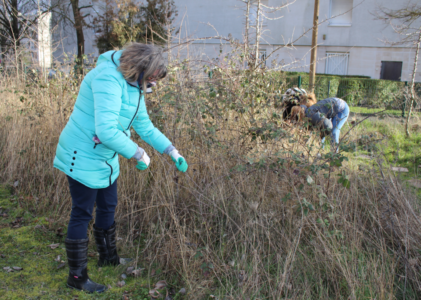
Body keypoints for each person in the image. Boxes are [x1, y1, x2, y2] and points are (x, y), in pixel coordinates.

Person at [53, 43, 188, 293]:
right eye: (151, 77)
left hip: (105, 156)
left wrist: (171, 150)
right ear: (139, 68)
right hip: (82, 153)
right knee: (82, 212)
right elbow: (105, 131)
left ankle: (108, 258)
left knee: (108, 205)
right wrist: (138, 152)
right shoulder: (107, 78)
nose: (153, 83)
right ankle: (77, 277)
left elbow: (144, 125)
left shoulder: (133, 85)